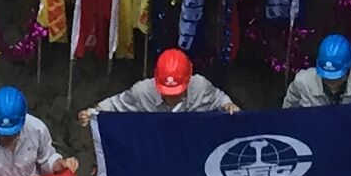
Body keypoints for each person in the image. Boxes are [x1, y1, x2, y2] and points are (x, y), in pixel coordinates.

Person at [84, 45, 238, 119]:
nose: (171, 97)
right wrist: (90, 113)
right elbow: (115, 104)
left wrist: (228, 105)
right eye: (167, 92)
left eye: (176, 92)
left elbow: (219, 99)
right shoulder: (142, 91)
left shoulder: (201, 87)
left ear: (189, 80)